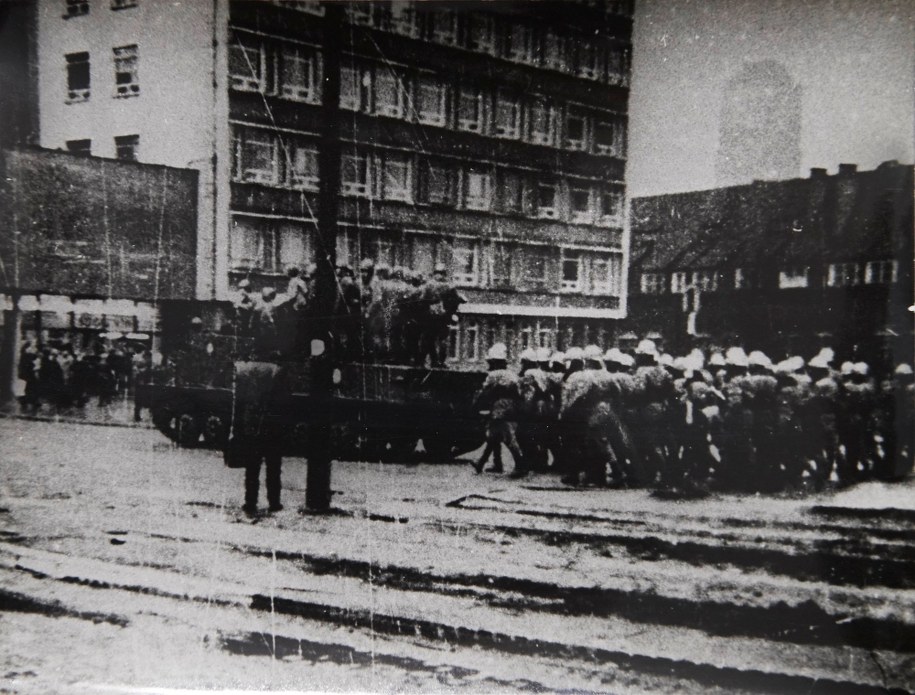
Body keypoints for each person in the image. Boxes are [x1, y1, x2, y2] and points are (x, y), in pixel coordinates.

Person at [472, 343, 525, 476]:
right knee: (494, 435)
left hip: (500, 407)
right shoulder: (511, 374)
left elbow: (484, 392)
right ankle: (485, 463)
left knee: (507, 436)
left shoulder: (494, 374)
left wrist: (476, 404)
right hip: (512, 406)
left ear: (494, 362)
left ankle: (520, 465)